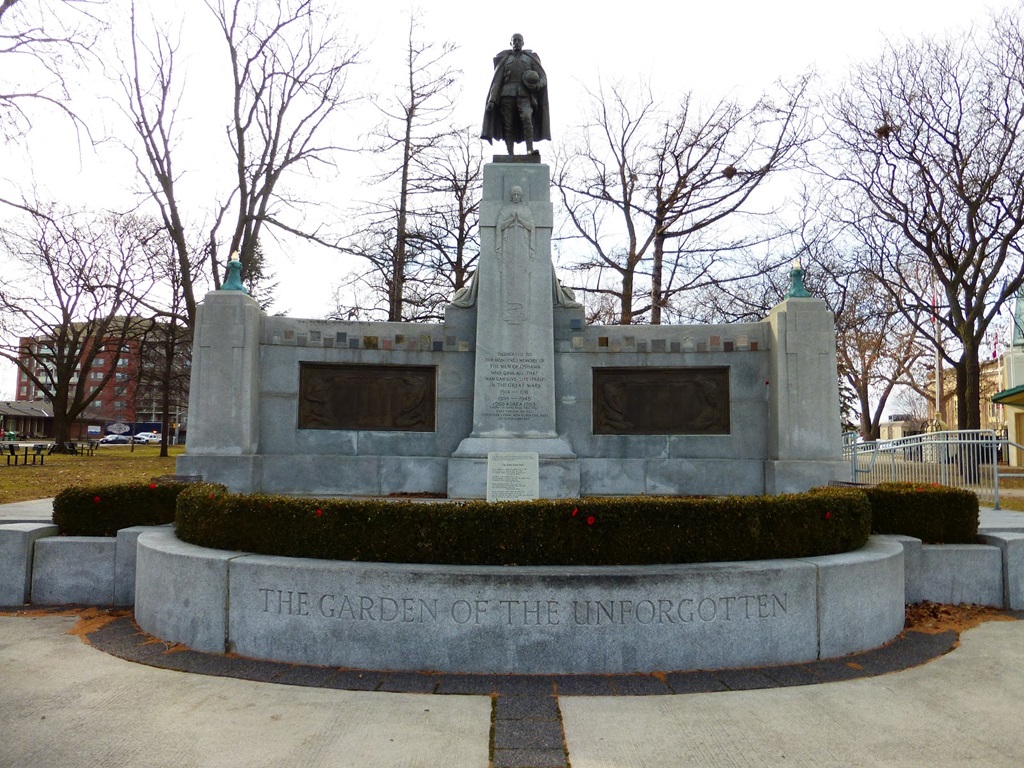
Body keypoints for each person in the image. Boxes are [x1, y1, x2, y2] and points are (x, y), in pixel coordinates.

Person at [481, 33, 551, 155]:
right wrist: (492, 100)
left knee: (526, 118)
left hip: (525, 96)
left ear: (523, 43)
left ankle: (530, 149)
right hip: (506, 95)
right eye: (515, 40)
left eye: (519, 40)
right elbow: (497, 81)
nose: (517, 42)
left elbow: (543, 78)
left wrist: (536, 86)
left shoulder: (530, 59)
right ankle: (510, 154)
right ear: (511, 43)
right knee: (508, 124)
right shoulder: (505, 59)